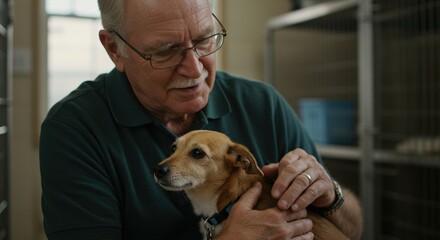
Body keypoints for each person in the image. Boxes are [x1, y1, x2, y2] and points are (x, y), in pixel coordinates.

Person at [39, 0, 363, 239]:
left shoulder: (263, 104)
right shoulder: (74, 128)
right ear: (114, 49)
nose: (196, 70)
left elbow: (353, 228)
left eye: (204, 39)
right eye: (165, 50)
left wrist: (330, 196)